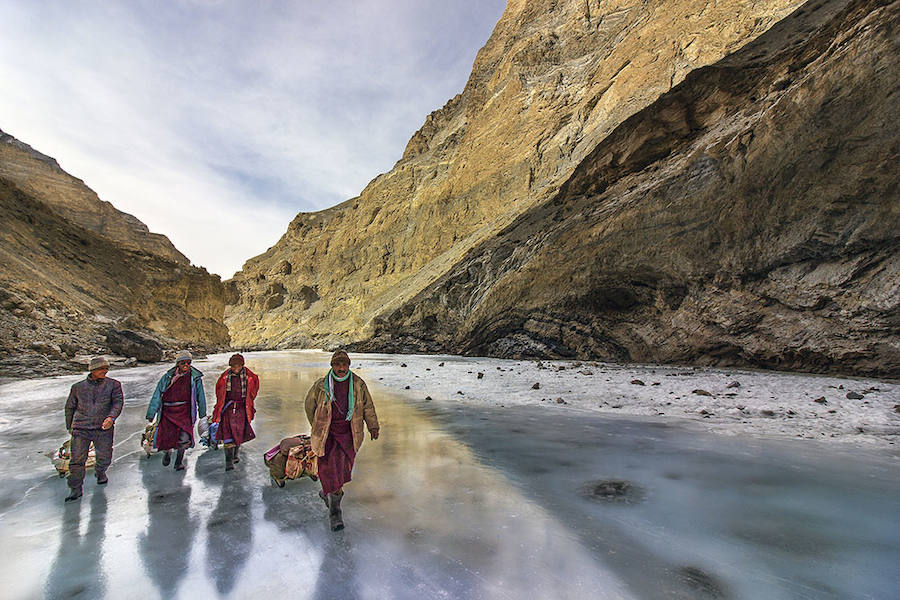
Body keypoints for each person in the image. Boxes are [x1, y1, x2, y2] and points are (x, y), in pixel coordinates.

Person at [304, 350, 379, 531]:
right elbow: (310, 406)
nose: (341, 368)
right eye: (337, 365)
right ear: (332, 366)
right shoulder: (321, 385)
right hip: (327, 435)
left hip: (349, 434)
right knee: (328, 469)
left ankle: (328, 494)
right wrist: (317, 426)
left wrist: (373, 426)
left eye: (344, 364)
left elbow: (368, 406)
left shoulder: (358, 384)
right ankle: (335, 512)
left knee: (343, 469)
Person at [63, 356, 124, 502]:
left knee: (105, 456)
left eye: (106, 368)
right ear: (93, 370)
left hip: (103, 427)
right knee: (77, 460)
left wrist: (111, 418)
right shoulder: (77, 387)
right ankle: (75, 489)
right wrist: (69, 426)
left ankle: (100, 471)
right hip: (81, 427)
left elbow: (117, 403)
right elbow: (70, 407)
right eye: (102, 368)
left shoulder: (114, 385)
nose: (105, 371)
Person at [147, 351, 206, 471]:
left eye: (188, 362)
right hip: (168, 411)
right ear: (177, 363)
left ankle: (179, 462)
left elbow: (200, 395)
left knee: (184, 437)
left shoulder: (195, 377)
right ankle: (167, 453)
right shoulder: (168, 376)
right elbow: (158, 394)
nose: (186, 365)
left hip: (185, 411)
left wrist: (202, 413)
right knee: (167, 436)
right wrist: (151, 413)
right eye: (183, 362)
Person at [211, 353, 259, 471]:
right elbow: (219, 393)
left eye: (238, 365)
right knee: (228, 435)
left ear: (242, 365)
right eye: (233, 366)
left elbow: (254, 390)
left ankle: (235, 455)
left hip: (242, 408)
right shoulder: (224, 377)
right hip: (228, 408)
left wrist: (249, 402)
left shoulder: (250, 376)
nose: (236, 368)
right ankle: (229, 462)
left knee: (238, 433)